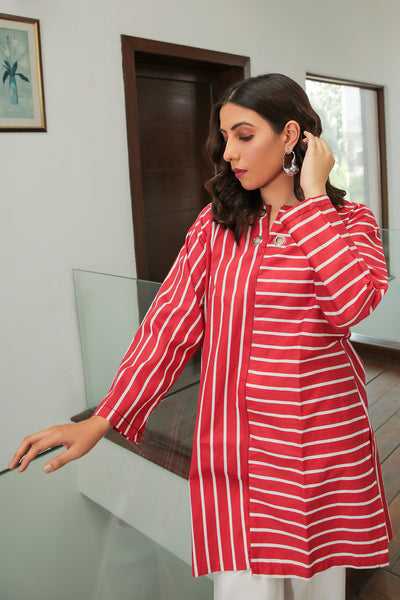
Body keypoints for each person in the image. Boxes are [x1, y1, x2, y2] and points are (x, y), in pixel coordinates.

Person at [9, 73, 391, 600]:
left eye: (244, 135)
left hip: (319, 442)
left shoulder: (348, 223)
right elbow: (167, 328)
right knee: (241, 586)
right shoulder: (217, 226)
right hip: (237, 447)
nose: (229, 153)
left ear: (290, 135)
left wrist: (312, 204)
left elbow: (353, 305)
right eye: (225, 138)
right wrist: (102, 420)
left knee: (317, 587)